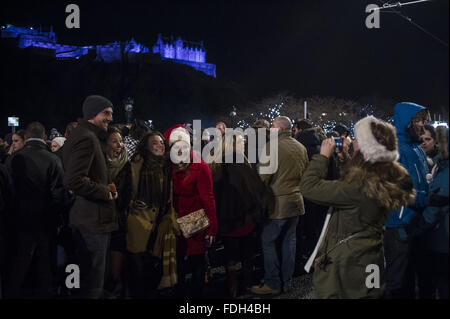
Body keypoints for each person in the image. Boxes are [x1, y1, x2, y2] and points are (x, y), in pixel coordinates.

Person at [300, 116, 415, 298]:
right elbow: (357, 181)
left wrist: (322, 157)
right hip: (369, 253)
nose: (352, 141)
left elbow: (309, 187)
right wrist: (346, 160)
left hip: (347, 261)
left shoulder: (359, 187)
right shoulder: (383, 176)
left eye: (357, 138)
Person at [62, 95, 118, 299]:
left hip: (88, 219)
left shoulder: (84, 135)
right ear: (93, 113)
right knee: (91, 282)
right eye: (106, 113)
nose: (110, 118)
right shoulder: (87, 137)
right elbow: (73, 180)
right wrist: (104, 191)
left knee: (86, 280)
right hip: (92, 221)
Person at [4, 122, 66, 298]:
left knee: (18, 265)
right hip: (45, 221)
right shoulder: (53, 159)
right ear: (45, 137)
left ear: (26, 138)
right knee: (45, 267)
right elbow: (58, 194)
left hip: (20, 220)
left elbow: (7, 192)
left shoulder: (14, 158)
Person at [116, 131, 178, 298]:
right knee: (137, 271)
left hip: (159, 225)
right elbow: (122, 192)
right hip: (137, 224)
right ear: (146, 146)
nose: (160, 145)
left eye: (161, 142)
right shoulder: (135, 165)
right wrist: (131, 203)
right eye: (155, 143)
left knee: (153, 270)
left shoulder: (167, 166)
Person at [251, 116, 308, 296]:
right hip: (296, 202)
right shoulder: (301, 147)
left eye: (273, 126)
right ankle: (287, 281)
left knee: (268, 241)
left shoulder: (271, 147)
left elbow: (262, 177)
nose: (271, 129)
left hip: (278, 204)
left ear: (280, 128)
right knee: (289, 243)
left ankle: (272, 283)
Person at [207, 134, 270, 298]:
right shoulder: (241, 164)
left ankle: (232, 288)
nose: (245, 144)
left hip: (226, 221)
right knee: (247, 254)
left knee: (230, 256)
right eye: (242, 142)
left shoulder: (214, 164)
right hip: (244, 219)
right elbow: (257, 191)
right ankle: (247, 284)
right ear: (233, 144)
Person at [384, 102, 431, 299]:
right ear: (406, 123)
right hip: (398, 225)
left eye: (423, 120)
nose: (422, 125)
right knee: (399, 282)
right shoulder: (394, 150)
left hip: (416, 222)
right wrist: (427, 198)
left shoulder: (416, 148)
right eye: (417, 120)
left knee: (413, 279)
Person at [164, 125, 218, 299]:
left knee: (196, 263)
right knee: (177, 263)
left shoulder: (200, 167)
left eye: (184, 146)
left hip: (195, 221)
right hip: (174, 221)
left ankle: (197, 298)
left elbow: (208, 199)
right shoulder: (169, 168)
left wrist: (212, 227)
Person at [404, 125, 449, 299]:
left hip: (440, 236)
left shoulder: (444, 169)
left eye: (428, 139)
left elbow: (437, 203)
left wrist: (417, 226)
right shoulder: (430, 162)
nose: (423, 143)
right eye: (421, 139)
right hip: (435, 235)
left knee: (440, 283)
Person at [103, 127, 128, 298]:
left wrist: (117, 195)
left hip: (120, 216)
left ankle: (114, 283)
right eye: (114, 141)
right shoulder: (99, 165)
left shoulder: (128, 166)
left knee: (117, 247)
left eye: (120, 141)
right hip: (100, 217)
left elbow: (130, 193)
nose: (119, 145)